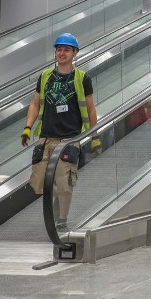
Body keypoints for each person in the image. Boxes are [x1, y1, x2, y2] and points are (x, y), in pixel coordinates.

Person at [21, 33, 98, 229]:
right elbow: (35, 103)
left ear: (74, 53)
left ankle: (62, 221)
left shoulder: (82, 78)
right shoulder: (46, 76)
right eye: (59, 49)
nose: (61, 53)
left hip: (69, 139)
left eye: (66, 50)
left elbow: (90, 109)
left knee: (65, 182)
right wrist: (28, 128)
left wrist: (94, 135)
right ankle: (57, 203)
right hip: (46, 138)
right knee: (41, 182)